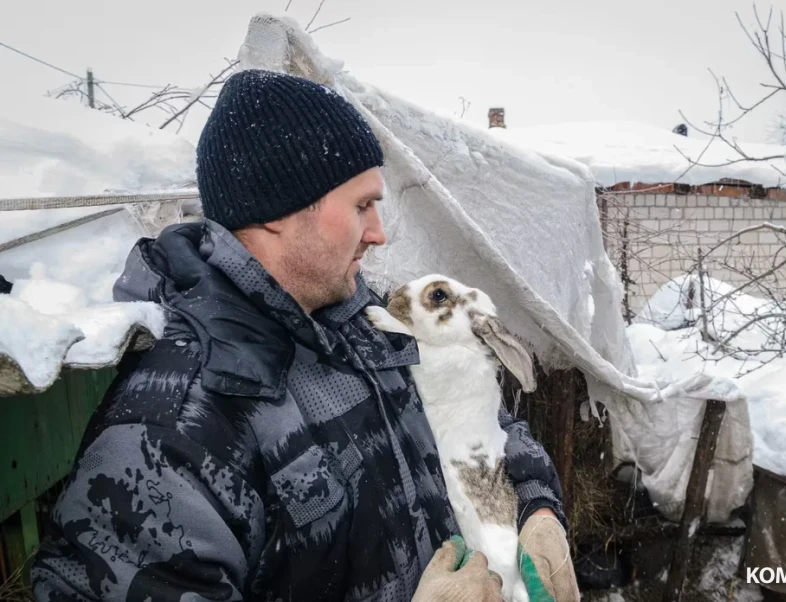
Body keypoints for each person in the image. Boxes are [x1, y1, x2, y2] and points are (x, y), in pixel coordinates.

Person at [30, 69, 579, 601]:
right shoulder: (172, 432)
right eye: (362, 206)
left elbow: (474, 417)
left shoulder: (364, 325)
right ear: (276, 211)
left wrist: (537, 508)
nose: (378, 234)